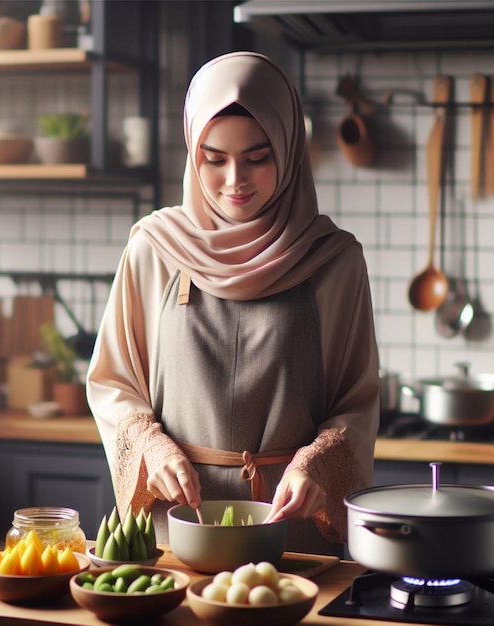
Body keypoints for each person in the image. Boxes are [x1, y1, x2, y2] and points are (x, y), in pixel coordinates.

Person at [86, 51, 379, 557]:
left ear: (289, 150)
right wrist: (151, 450)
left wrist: (316, 467)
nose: (234, 181)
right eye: (214, 158)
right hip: (176, 531)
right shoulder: (154, 249)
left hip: (293, 536)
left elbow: (357, 403)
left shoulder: (335, 260)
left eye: (258, 157)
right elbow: (113, 383)